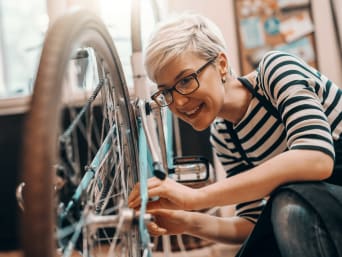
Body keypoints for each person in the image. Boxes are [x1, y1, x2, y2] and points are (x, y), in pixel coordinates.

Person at [128, 12, 342, 257]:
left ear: (221, 64)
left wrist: (195, 198)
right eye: (165, 91)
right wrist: (186, 222)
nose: (177, 101)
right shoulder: (224, 136)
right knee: (279, 215)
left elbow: (316, 158)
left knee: (290, 206)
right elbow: (252, 223)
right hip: (318, 208)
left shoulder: (276, 70)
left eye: (186, 80)